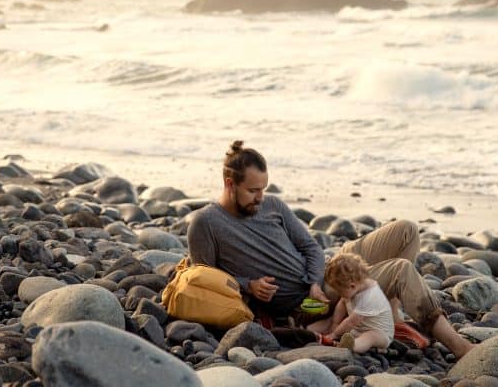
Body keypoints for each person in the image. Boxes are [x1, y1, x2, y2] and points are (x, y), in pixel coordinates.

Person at [186, 141, 474, 358]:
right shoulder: (206, 223)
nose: (260, 198)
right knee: (400, 271)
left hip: (325, 277)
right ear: (229, 184)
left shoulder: (272, 205)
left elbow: (310, 246)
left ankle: (389, 314)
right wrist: (249, 286)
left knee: (406, 231)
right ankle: (459, 346)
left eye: (263, 188)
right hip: (302, 304)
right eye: (252, 191)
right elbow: (205, 282)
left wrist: (313, 281)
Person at [308, 253, 393, 352]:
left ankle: (352, 346)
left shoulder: (370, 297)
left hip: (380, 334)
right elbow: (342, 303)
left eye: (340, 291)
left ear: (352, 286)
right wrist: (334, 323)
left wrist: (334, 334)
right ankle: (307, 331)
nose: (338, 294)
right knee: (329, 321)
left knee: (370, 337)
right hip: (357, 329)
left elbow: (351, 321)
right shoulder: (355, 288)